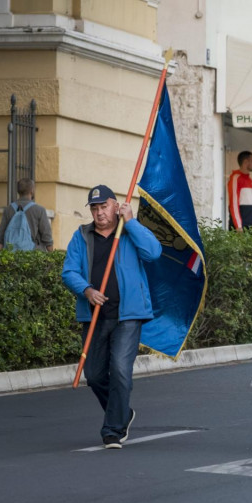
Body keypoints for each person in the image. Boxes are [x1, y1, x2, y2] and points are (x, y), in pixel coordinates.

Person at [61, 185, 162, 449]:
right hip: (94, 314)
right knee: (94, 375)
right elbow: (69, 271)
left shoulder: (129, 232)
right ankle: (122, 413)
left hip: (128, 314)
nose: (99, 213)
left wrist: (131, 222)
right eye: (94, 208)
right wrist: (87, 290)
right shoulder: (81, 236)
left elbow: (153, 252)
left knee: (119, 369)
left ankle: (113, 430)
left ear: (115, 206)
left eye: (103, 207)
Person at [0, 178, 54, 251]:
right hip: (32, 255)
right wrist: (52, 255)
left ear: (18, 191)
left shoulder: (8, 209)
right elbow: (47, 237)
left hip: (11, 255)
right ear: (32, 190)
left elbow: (0, 237)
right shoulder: (39, 210)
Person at [227, 151, 252, 230]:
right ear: (245, 162)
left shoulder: (249, 180)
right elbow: (233, 204)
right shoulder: (236, 178)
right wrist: (238, 226)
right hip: (241, 228)